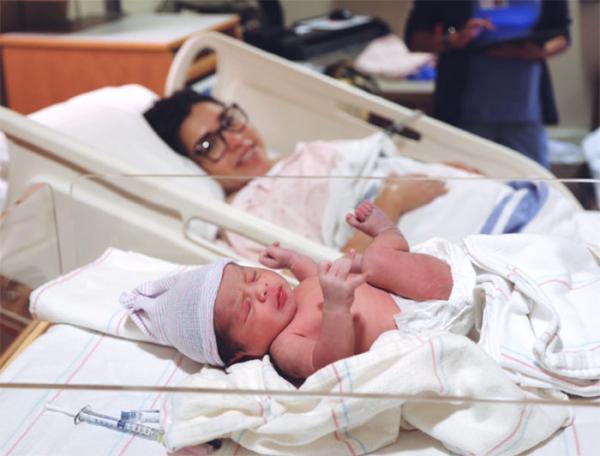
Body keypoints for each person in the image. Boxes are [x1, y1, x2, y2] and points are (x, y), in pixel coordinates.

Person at [121, 201, 463, 380]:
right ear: (243, 355)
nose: (263, 292)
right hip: (420, 320)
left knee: (371, 264)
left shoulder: (297, 293)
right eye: (248, 309)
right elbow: (329, 363)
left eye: (253, 279)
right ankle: (389, 238)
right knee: (373, 261)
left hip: (409, 290)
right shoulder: (285, 347)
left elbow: (314, 280)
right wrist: (335, 307)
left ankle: (389, 237)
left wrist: (294, 260)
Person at [144, 90, 477, 253]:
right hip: (448, 234)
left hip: (477, 200)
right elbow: (335, 274)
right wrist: (392, 201)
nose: (234, 139)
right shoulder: (247, 214)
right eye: (208, 145)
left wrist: (434, 169)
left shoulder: (295, 157)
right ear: (194, 167)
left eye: (228, 122)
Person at [404, 0, 571, 168]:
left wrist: (539, 51)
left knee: (535, 180)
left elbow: (563, 34)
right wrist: (454, 37)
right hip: (464, 109)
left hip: (526, 108)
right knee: (465, 181)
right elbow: (415, 39)